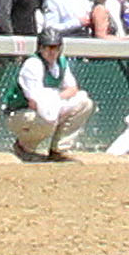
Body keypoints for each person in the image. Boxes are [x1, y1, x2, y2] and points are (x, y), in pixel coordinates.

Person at [10, 27, 96, 161]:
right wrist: (55, 103)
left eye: (55, 48)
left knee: (84, 103)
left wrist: (54, 100)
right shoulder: (33, 64)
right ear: (40, 48)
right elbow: (34, 102)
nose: (51, 52)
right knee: (48, 116)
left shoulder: (60, 62)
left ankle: (59, 150)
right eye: (47, 48)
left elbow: (73, 89)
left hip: (49, 105)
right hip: (20, 113)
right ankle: (24, 148)